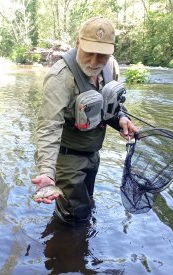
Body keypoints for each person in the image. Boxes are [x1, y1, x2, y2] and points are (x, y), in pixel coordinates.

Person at [31, 16, 138, 223]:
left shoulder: (111, 67)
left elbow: (112, 105)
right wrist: (46, 171)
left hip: (92, 155)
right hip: (68, 159)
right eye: (89, 53)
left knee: (88, 202)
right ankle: (65, 250)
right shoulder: (60, 78)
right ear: (77, 42)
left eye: (102, 56)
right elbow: (48, 128)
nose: (94, 62)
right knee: (74, 218)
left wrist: (122, 118)